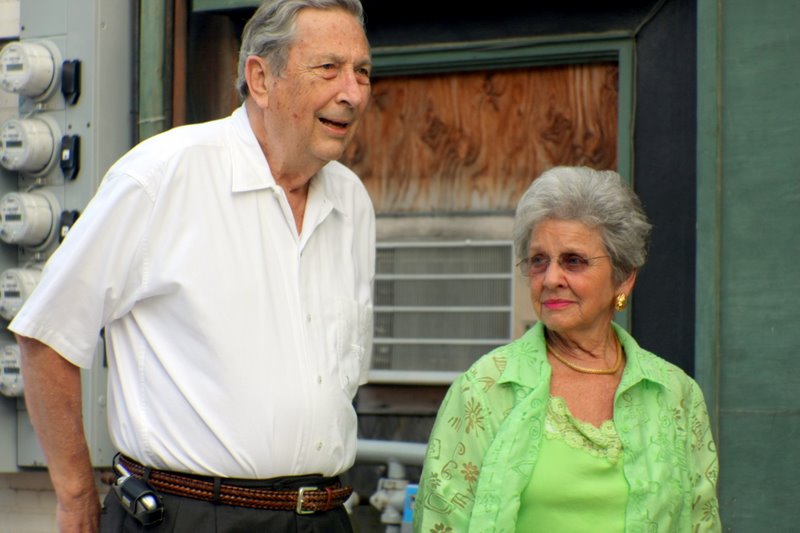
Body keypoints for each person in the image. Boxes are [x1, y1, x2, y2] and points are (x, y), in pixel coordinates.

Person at [9, 0, 374, 531]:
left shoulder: (352, 201)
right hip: (190, 514)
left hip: (323, 515)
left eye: (362, 71)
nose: (353, 93)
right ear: (261, 79)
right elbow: (47, 333)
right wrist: (75, 497)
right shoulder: (162, 175)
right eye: (329, 68)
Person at [414, 166, 720, 532]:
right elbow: (440, 522)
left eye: (573, 261)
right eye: (538, 260)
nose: (551, 278)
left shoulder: (675, 394)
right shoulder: (485, 389)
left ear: (624, 277)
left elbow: (701, 522)